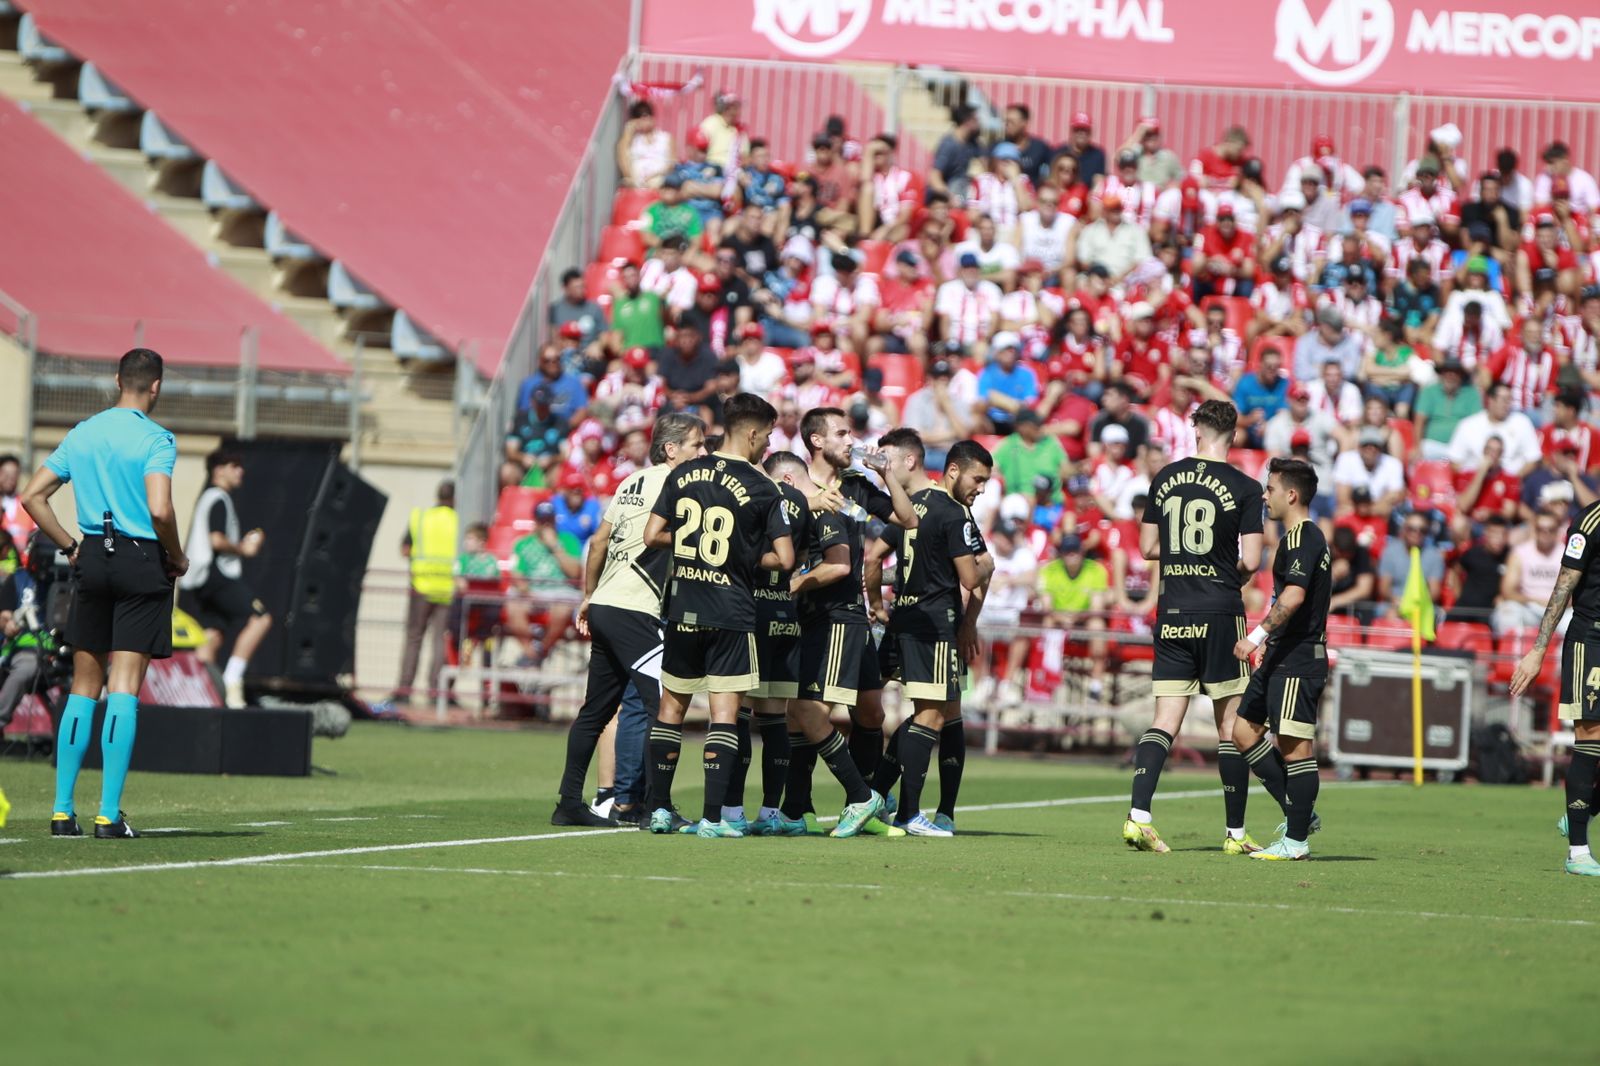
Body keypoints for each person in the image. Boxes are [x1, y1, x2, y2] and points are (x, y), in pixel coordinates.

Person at [644, 394, 883, 840]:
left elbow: (652, 534)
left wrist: (697, 549)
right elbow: (785, 558)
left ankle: (659, 808)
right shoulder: (763, 487)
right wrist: (739, 554)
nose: (768, 443)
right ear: (753, 433)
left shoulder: (683, 473)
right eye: (768, 434)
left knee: (671, 708)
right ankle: (719, 817)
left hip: (684, 605)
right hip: (736, 609)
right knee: (731, 713)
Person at [19, 348, 186, 839]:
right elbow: (160, 510)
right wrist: (174, 556)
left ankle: (60, 811)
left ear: (117, 380)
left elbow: (33, 496)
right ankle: (108, 815)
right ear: (156, 386)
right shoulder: (157, 439)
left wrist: (70, 545)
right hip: (140, 559)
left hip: (91, 556)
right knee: (124, 687)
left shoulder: (83, 432)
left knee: (83, 686)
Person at [1123, 400, 1265, 855]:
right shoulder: (1244, 486)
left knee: (1165, 720)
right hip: (1221, 610)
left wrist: (1185, 559)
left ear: (1196, 431)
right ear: (1234, 437)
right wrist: (1220, 563)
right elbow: (1254, 561)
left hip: (1174, 608)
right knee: (1230, 726)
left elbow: (1147, 547)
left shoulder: (1164, 477)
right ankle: (1235, 835)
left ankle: (1138, 817)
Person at [551, 413, 706, 829]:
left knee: (596, 711)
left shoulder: (631, 481)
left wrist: (588, 595)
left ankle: (570, 802)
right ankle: (657, 808)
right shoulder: (678, 485)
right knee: (665, 705)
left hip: (605, 604)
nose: (704, 453)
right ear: (672, 450)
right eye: (697, 445)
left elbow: (599, 540)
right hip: (635, 610)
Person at [783, 411, 918, 830]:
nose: (851, 440)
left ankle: (856, 800)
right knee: (828, 711)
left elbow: (907, 518)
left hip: (846, 613)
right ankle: (801, 806)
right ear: (816, 441)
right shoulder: (798, 488)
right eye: (842, 433)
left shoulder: (858, 486)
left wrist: (886, 475)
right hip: (818, 614)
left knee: (859, 712)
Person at [874, 440, 994, 836]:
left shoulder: (912, 503)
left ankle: (882, 797)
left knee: (943, 709)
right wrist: (984, 573)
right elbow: (972, 577)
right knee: (934, 715)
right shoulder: (955, 512)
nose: (981, 488)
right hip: (935, 623)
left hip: (902, 621)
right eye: (978, 479)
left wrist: (877, 603)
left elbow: (874, 557)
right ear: (954, 471)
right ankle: (909, 810)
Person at [1231, 458, 1331, 860]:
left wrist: (1255, 636)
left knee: (1295, 750)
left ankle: (1296, 841)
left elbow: (1293, 596)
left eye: (1270, 488)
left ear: (1291, 494)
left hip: (1298, 657)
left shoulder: (1304, 537)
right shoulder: (1292, 538)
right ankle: (1299, 813)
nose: (1264, 495)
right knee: (1242, 732)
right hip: (1280, 657)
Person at [1509, 495, 1600, 876]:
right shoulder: (1591, 521)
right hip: (1591, 642)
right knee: (1591, 736)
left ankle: (1585, 805)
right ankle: (1577, 851)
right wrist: (1538, 650)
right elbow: (1564, 586)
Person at [177, 448, 270, 709]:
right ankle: (231, 679)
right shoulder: (217, 497)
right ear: (218, 469)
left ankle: (199, 691)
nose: (240, 471)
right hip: (215, 575)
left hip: (202, 579)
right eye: (234, 465)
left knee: (211, 636)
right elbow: (216, 540)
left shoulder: (214, 498)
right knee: (261, 619)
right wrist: (244, 548)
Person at [395, 480, 457, 704]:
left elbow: (405, 549)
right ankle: (436, 692)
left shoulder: (420, 517)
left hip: (421, 586)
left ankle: (404, 689)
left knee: (414, 638)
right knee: (441, 641)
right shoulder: (460, 519)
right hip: (448, 588)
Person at [1493, 511, 1569, 636]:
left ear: (1558, 530)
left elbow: (1572, 593)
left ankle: (1562, 656)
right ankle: (1512, 653)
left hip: (1559, 610)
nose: (1545, 533)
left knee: (1574, 622)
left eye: (1550, 529)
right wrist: (1535, 601)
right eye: (1541, 529)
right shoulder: (1520, 552)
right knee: (1506, 612)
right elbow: (1507, 590)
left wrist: (1553, 604)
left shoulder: (1566, 554)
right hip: (1528, 606)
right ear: (1534, 529)